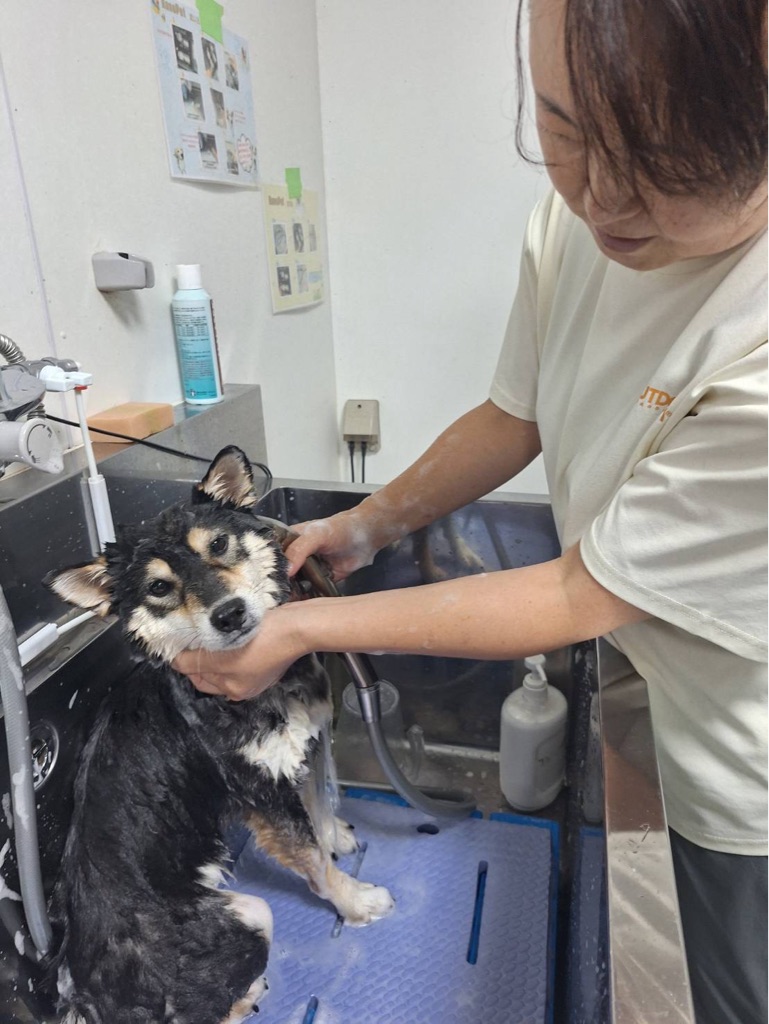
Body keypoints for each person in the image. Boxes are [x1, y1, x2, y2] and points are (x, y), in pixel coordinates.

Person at [174, 1, 768, 1021]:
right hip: (643, 654)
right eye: (563, 130)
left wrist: (302, 629)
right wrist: (364, 524)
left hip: (742, 721)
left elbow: (575, 592)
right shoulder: (576, 222)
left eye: (667, 163)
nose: (603, 199)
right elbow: (513, 413)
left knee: (736, 975)